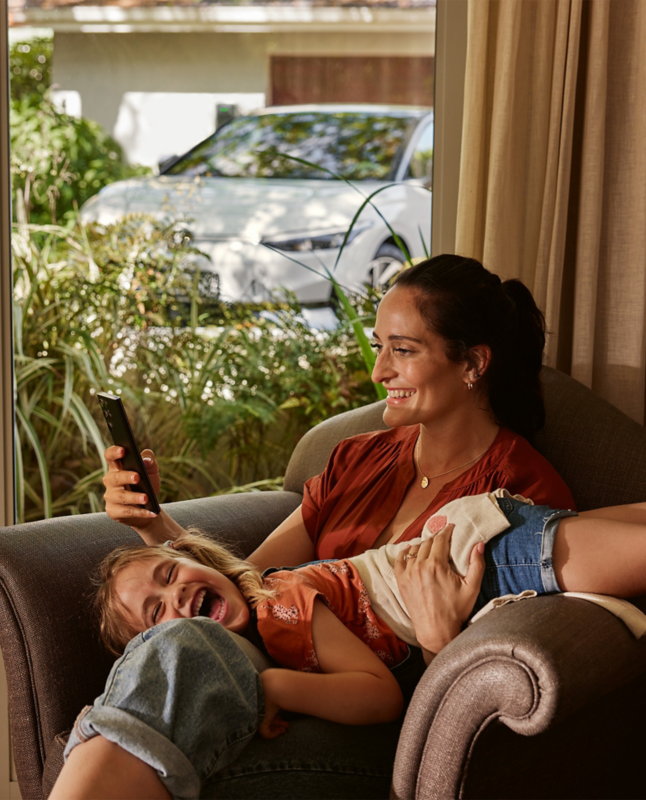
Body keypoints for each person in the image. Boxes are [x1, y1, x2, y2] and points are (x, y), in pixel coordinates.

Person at [53, 255, 581, 798]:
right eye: (379, 348)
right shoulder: (359, 460)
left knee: (180, 659)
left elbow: (483, 684)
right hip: (275, 681)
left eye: (401, 350)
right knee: (182, 642)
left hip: (382, 723)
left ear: (472, 363)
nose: (378, 373)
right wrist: (152, 525)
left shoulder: (517, 497)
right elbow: (249, 579)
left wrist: (437, 640)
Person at [59, 478, 646, 800]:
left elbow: (377, 694)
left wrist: (277, 686)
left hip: (484, 555)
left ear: (204, 559)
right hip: (483, 529)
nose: (176, 603)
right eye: (155, 616)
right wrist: (153, 537)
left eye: (174, 575)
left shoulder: (280, 608)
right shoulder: (267, 602)